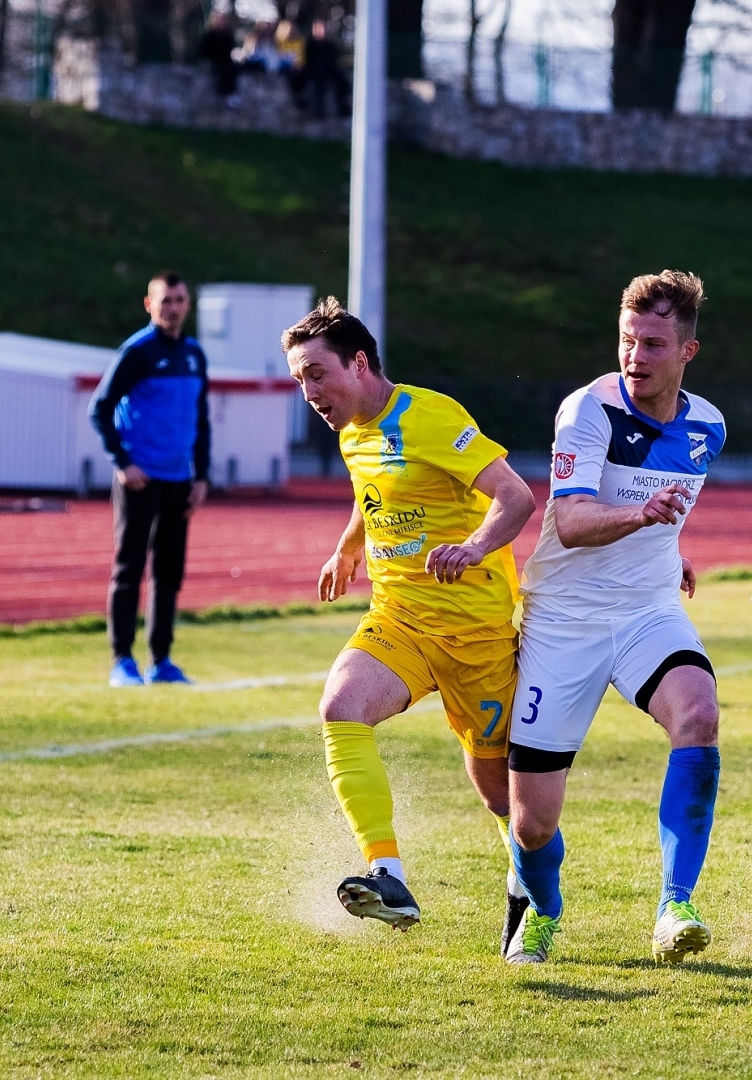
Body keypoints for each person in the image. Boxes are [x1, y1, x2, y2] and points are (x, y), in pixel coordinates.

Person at [284, 298, 537, 933]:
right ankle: (387, 873)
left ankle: (528, 890)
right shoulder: (350, 431)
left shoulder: (430, 416)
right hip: (399, 617)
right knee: (341, 707)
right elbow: (369, 491)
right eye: (299, 379)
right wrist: (348, 547)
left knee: (500, 794)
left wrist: (474, 547)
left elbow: (516, 497)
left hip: (476, 632)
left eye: (316, 374)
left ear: (358, 362)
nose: (308, 392)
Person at [502, 270, 725, 965]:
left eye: (653, 344)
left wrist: (671, 548)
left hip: (646, 612)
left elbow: (663, 510)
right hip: (563, 621)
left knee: (699, 714)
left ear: (687, 351)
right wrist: (641, 517)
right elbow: (570, 523)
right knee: (532, 824)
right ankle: (542, 908)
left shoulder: (709, 425)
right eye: (628, 340)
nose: (635, 356)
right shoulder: (588, 411)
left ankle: (675, 905)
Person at [89, 271, 211, 688]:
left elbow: (201, 420)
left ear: (187, 304)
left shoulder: (194, 355)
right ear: (149, 304)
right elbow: (100, 408)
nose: (172, 308)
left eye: (179, 300)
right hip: (139, 479)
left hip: (179, 480)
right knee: (129, 568)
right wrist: (123, 462)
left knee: (168, 573)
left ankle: (161, 661)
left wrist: (201, 476)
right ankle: (122, 661)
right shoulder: (137, 352)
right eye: (165, 301)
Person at [300, 19, 349, 118]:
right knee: (318, 85)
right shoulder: (310, 44)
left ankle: (343, 108)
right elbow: (306, 60)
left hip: (329, 70)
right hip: (314, 71)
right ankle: (319, 111)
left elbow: (334, 60)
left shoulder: (329, 44)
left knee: (342, 81)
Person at [198, 11, 240, 104]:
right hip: (214, 61)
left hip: (225, 61)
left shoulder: (227, 36)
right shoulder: (209, 36)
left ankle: (230, 94)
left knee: (231, 70)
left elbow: (228, 51)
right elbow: (204, 51)